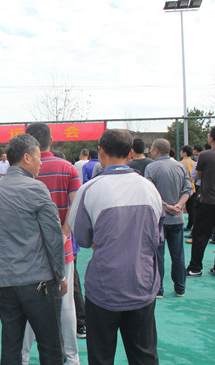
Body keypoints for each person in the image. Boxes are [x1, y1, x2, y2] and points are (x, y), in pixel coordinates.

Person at [69, 129, 163, 365]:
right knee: (144, 356)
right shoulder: (149, 188)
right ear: (130, 153)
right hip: (142, 284)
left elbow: (82, 238)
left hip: (104, 288)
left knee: (101, 357)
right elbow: (156, 236)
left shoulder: (89, 190)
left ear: (100, 151)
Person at [0, 133, 66, 365]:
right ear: (27, 158)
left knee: (11, 346)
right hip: (37, 281)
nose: (41, 163)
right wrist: (60, 273)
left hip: (4, 283)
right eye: (39, 157)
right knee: (50, 346)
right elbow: (53, 237)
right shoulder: (36, 189)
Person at [22, 122, 80, 365]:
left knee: (27, 307)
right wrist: (65, 232)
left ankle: (22, 357)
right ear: (51, 141)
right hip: (62, 249)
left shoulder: (23, 170)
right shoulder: (67, 168)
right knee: (66, 307)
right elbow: (76, 204)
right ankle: (72, 359)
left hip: (28, 252)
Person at [145, 139, 192, 298]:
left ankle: (158, 289)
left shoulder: (151, 168)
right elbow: (188, 189)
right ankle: (180, 288)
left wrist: (165, 206)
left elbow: (150, 193)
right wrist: (179, 205)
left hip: (159, 219)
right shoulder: (180, 166)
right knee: (178, 256)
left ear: (156, 150)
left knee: (158, 256)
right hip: (177, 219)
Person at [186, 126, 215, 278]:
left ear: (211, 138)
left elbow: (198, 175)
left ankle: (195, 268)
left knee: (200, 234)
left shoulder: (204, 155)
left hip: (208, 201)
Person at [179, 145, 196, 232]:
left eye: (181, 151)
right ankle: (191, 224)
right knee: (191, 208)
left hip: (184, 188)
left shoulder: (182, 164)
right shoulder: (193, 162)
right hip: (193, 187)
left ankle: (189, 225)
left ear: (184, 153)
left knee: (187, 208)